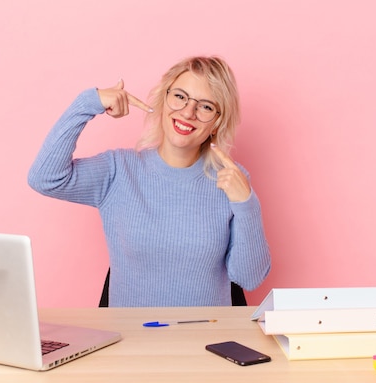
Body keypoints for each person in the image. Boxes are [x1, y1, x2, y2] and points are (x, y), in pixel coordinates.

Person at [28, 56, 270, 307]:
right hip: (131, 341)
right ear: (163, 100)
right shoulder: (118, 170)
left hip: (204, 341)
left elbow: (249, 279)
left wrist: (247, 204)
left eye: (206, 106)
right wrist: (89, 102)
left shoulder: (232, 179)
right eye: (179, 96)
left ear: (216, 123)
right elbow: (44, 178)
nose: (188, 112)